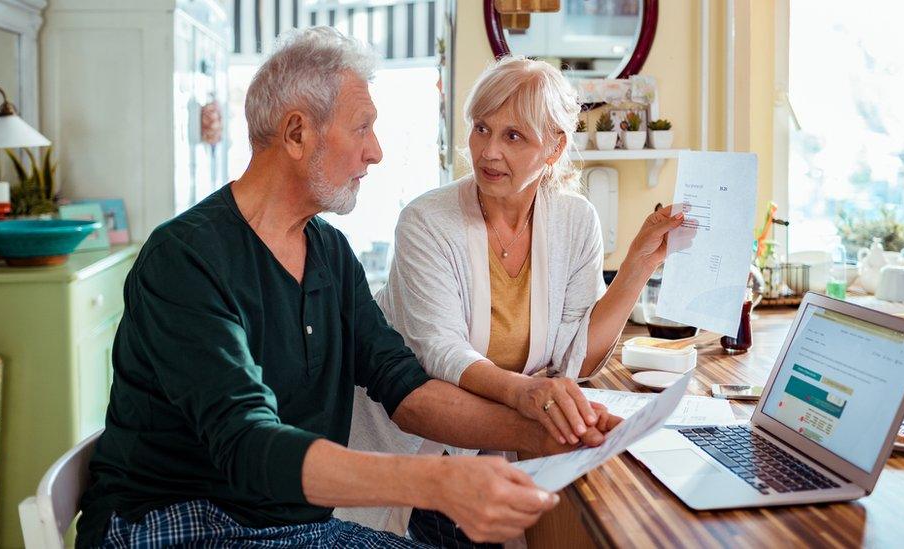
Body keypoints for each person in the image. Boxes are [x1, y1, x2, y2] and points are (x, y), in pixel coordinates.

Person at [75, 29, 621, 549]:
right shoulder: (186, 259)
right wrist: (435, 482)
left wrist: (546, 431)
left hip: (289, 526)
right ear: (296, 134)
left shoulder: (330, 253)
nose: (376, 151)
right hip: (178, 523)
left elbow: (405, 388)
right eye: (362, 127)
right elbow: (247, 445)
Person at [346, 56, 695, 547]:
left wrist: (638, 264)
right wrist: (525, 393)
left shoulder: (575, 222)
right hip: (418, 447)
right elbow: (442, 353)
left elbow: (580, 356)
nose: (488, 151)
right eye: (482, 128)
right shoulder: (426, 221)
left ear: (554, 146)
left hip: (501, 445)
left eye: (514, 136)